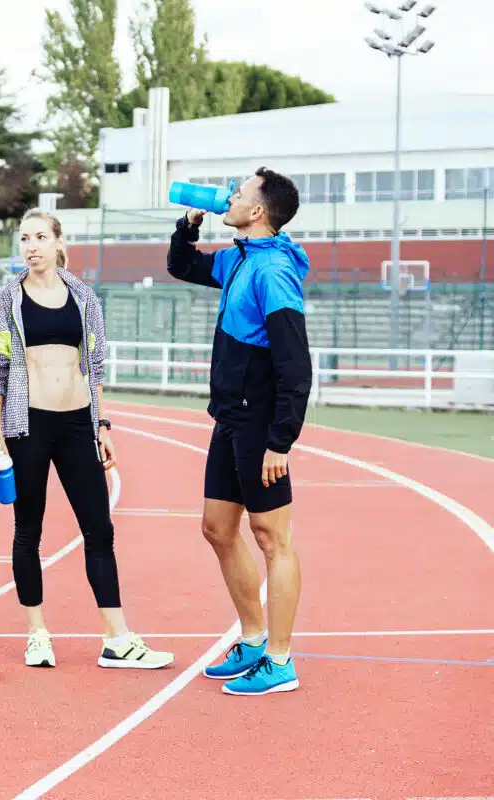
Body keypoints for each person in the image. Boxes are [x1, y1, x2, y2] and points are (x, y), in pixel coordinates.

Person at [0, 208, 174, 671]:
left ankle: (117, 639)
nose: (31, 246)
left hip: (76, 424)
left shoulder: (84, 297)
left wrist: (101, 425)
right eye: (24, 238)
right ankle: (37, 634)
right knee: (29, 530)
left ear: (58, 241)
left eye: (40, 237)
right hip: (26, 427)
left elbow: (96, 365)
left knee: (99, 530)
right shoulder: (5, 298)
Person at [166, 167, 312, 696]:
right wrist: (189, 224)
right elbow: (183, 265)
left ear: (258, 212)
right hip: (229, 416)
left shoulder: (273, 272)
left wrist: (281, 440)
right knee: (217, 529)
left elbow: (295, 365)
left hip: (259, 422)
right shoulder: (240, 258)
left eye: (241, 193)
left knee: (273, 538)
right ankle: (252, 640)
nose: (230, 196)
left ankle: (280, 660)